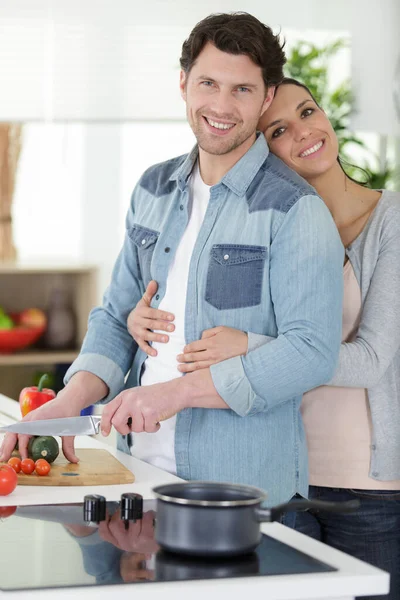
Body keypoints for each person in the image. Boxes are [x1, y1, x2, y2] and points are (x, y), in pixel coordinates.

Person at [0, 16, 344, 508]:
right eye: (208, 83)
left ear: (266, 98)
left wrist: (173, 395)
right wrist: (69, 400)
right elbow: (115, 316)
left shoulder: (294, 208)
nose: (222, 107)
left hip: (242, 493)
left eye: (242, 89)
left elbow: (311, 351)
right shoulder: (153, 189)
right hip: (135, 472)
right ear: (183, 83)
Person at [129, 78, 400, 599]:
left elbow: (370, 361)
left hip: (369, 488)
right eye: (280, 129)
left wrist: (250, 345)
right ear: (259, 142)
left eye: (308, 112)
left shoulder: (389, 222)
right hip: (281, 478)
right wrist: (139, 317)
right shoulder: (271, 223)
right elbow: (198, 313)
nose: (304, 132)